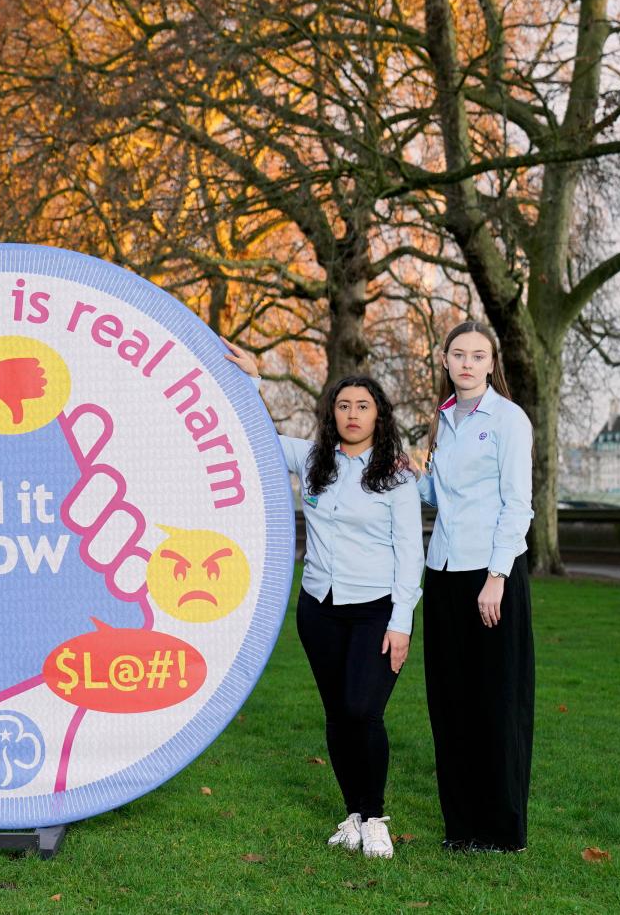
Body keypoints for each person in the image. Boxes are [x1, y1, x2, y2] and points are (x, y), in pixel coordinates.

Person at [224, 342, 423, 860]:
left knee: (364, 710)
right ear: (331, 414)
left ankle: (376, 816)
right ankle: (353, 815)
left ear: (378, 415)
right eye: (343, 406)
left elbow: (410, 556)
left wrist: (401, 622)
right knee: (337, 715)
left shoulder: (399, 477)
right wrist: (253, 380)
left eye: (362, 406)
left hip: (377, 608)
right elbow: (259, 435)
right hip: (319, 608)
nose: (352, 415)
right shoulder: (313, 460)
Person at [418, 320, 534, 852]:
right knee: (450, 703)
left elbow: (518, 505)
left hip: (492, 578)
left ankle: (501, 829)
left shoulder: (509, 420)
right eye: (458, 353)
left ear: (492, 363)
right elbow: (439, 497)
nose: (467, 362)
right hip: (441, 573)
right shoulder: (441, 421)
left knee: (497, 702)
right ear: (445, 360)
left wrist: (496, 578)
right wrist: (407, 475)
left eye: (478, 354)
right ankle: (461, 829)